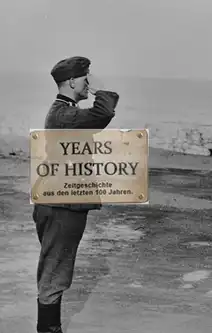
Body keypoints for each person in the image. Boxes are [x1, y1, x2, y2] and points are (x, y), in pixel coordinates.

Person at [33, 56, 119, 333]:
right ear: (72, 81)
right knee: (56, 269)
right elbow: (102, 114)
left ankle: (50, 327)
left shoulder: (64, 112)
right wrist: (102, 90)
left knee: (55, 265)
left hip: (59, 201)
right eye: (86, 78)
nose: (89, 83)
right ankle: (49, 329)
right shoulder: (64, 115)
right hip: (62, 205)